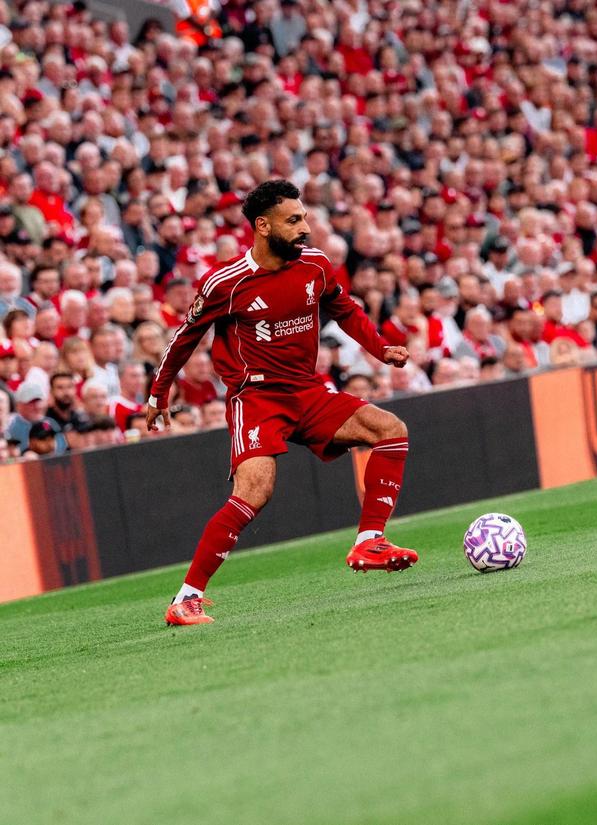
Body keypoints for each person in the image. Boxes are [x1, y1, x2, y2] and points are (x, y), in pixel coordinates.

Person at [147, 181, 417, 626]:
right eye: (294, 220)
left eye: (304, 217)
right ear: (263, 226)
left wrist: (379, 347)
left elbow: (344, 308)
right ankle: (186, 599)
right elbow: (184, 337)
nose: (305, 228)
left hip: (307, 390)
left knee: (390, 430)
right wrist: (159, 393)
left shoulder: (315, 264)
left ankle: (370, 541)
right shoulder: (226, 281)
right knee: (255, 491)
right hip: (256, 397)